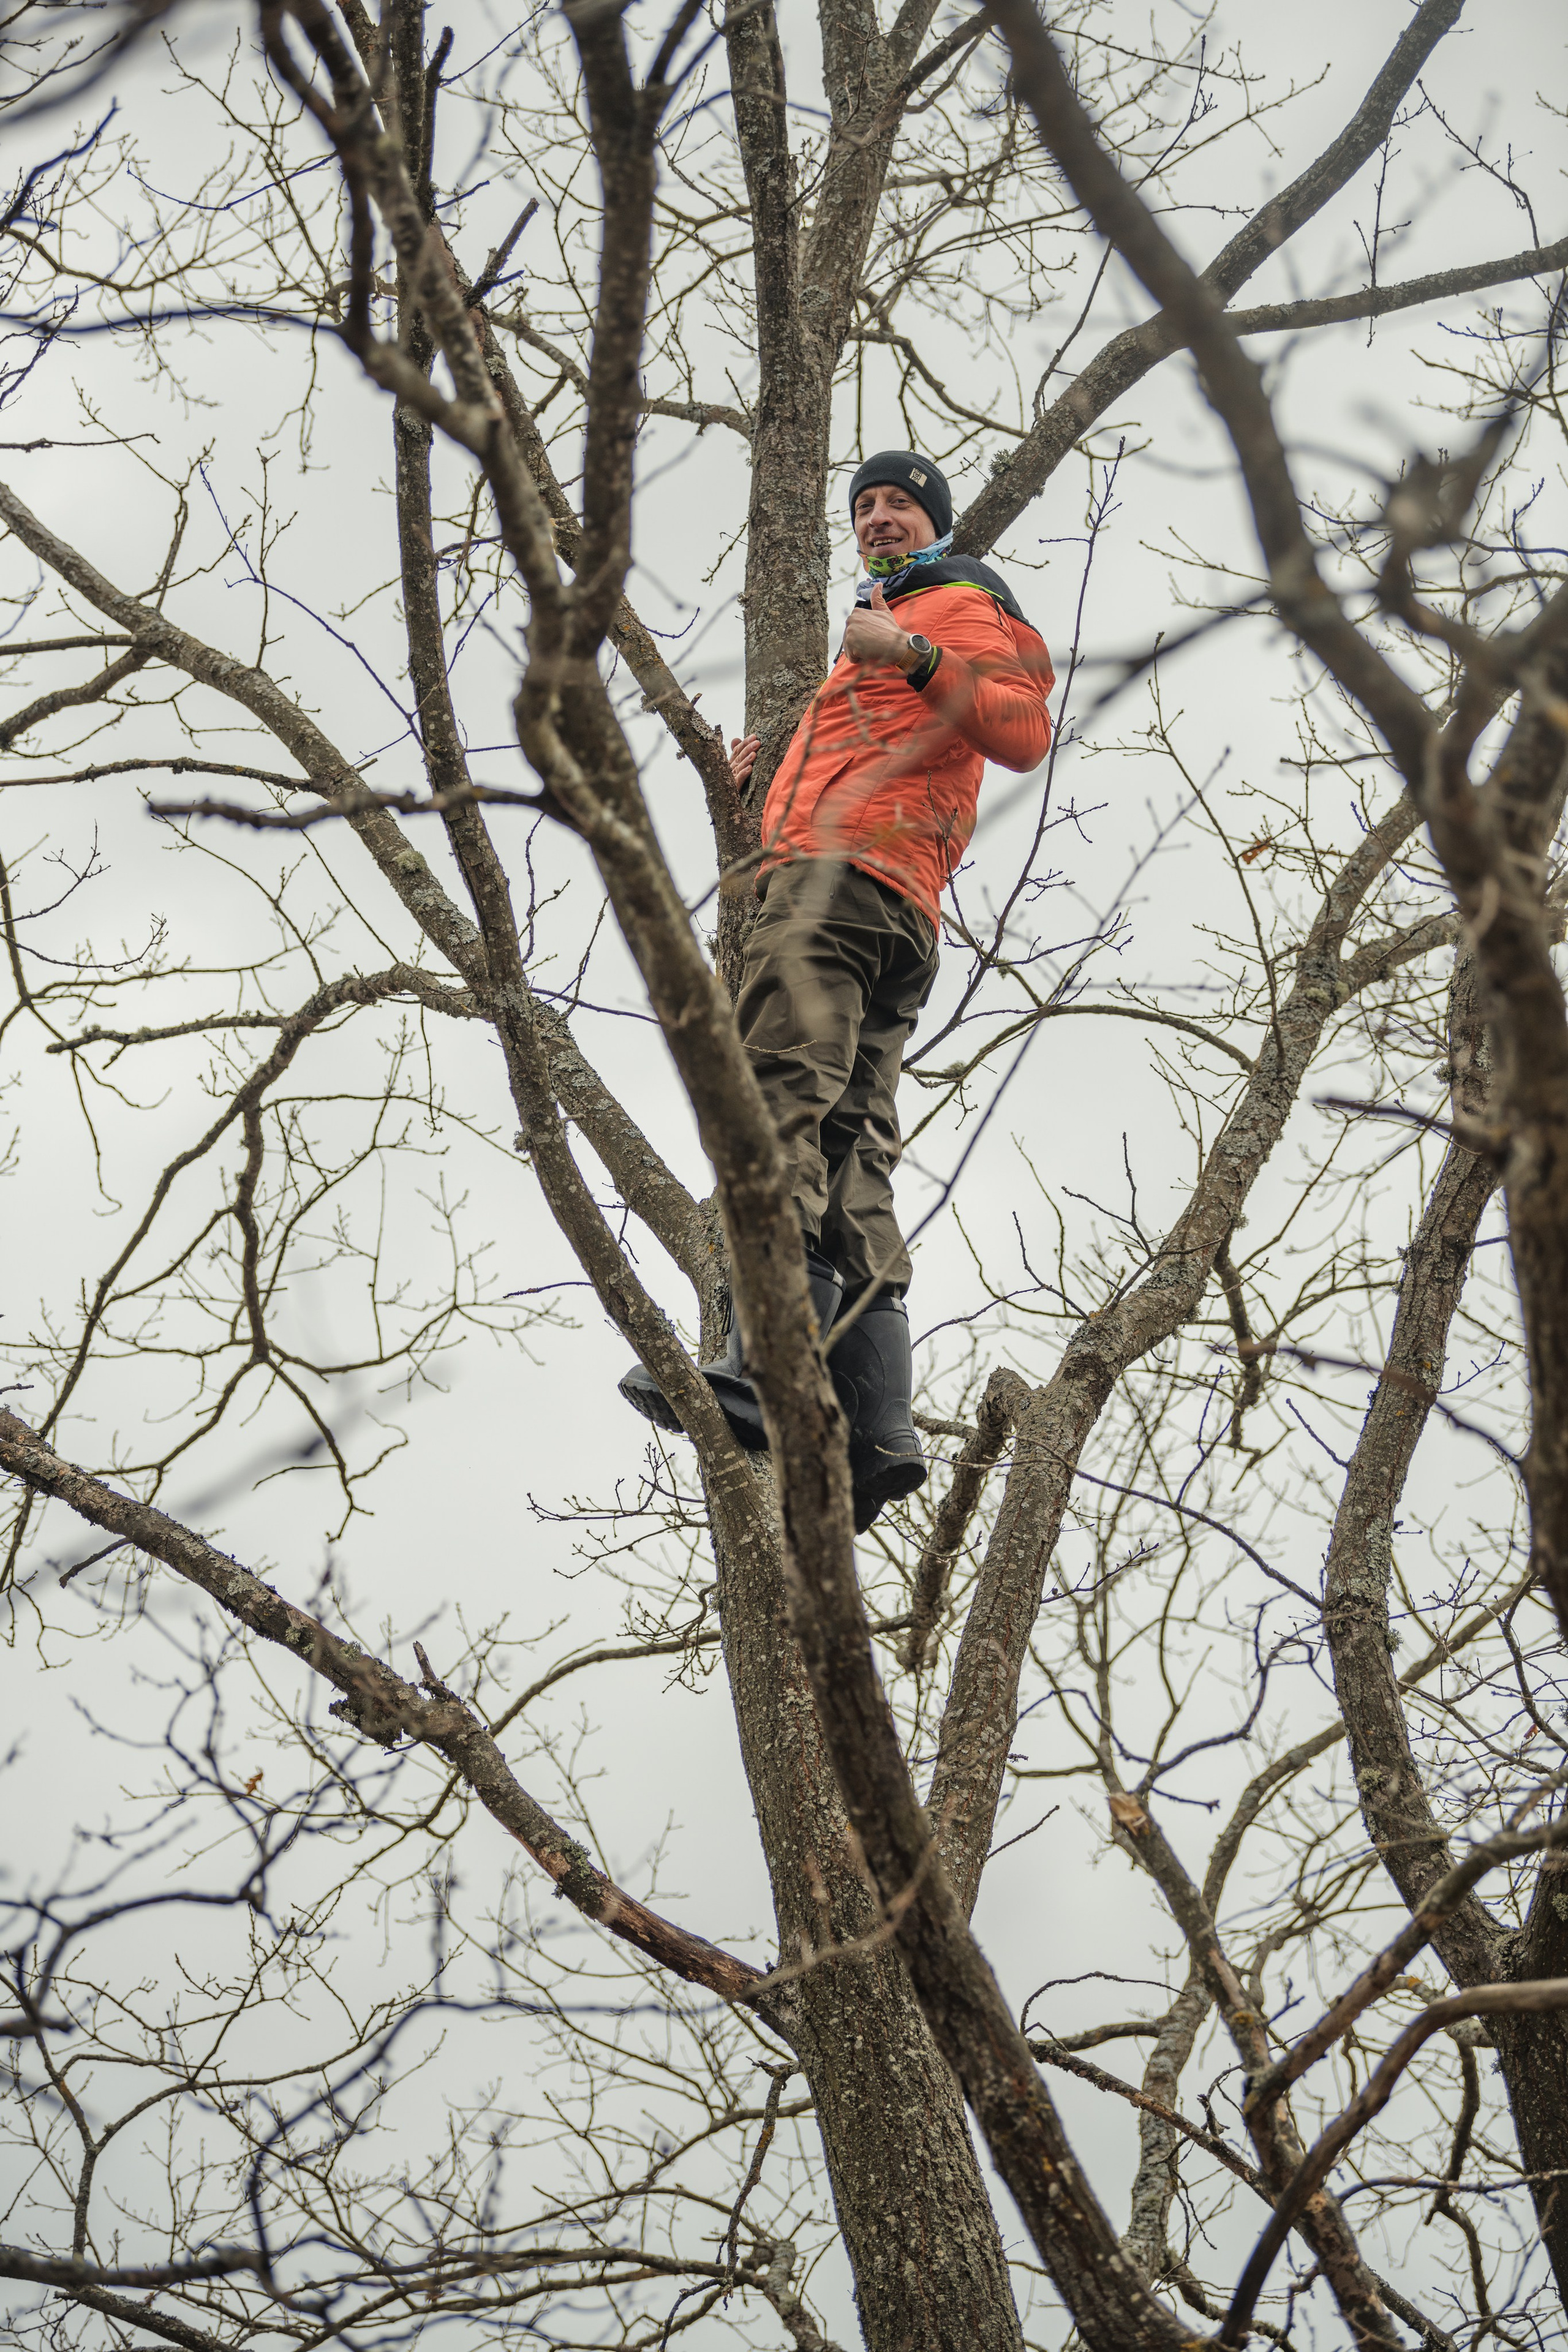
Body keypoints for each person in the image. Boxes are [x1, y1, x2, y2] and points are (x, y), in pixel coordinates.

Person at [620, 448, 1054, 1531]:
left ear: (938, 525)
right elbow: (882, 751)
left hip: (840, 890)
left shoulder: (951, 606)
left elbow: (1020, 732)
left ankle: (764, 1370)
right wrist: (762, 784)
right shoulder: (882, 639)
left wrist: (906, 647)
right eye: (864, 507)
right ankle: (878, 1428)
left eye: (900, 504)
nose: (878, 519)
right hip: (892, 901)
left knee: (774, 1103)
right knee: (854, 1142)